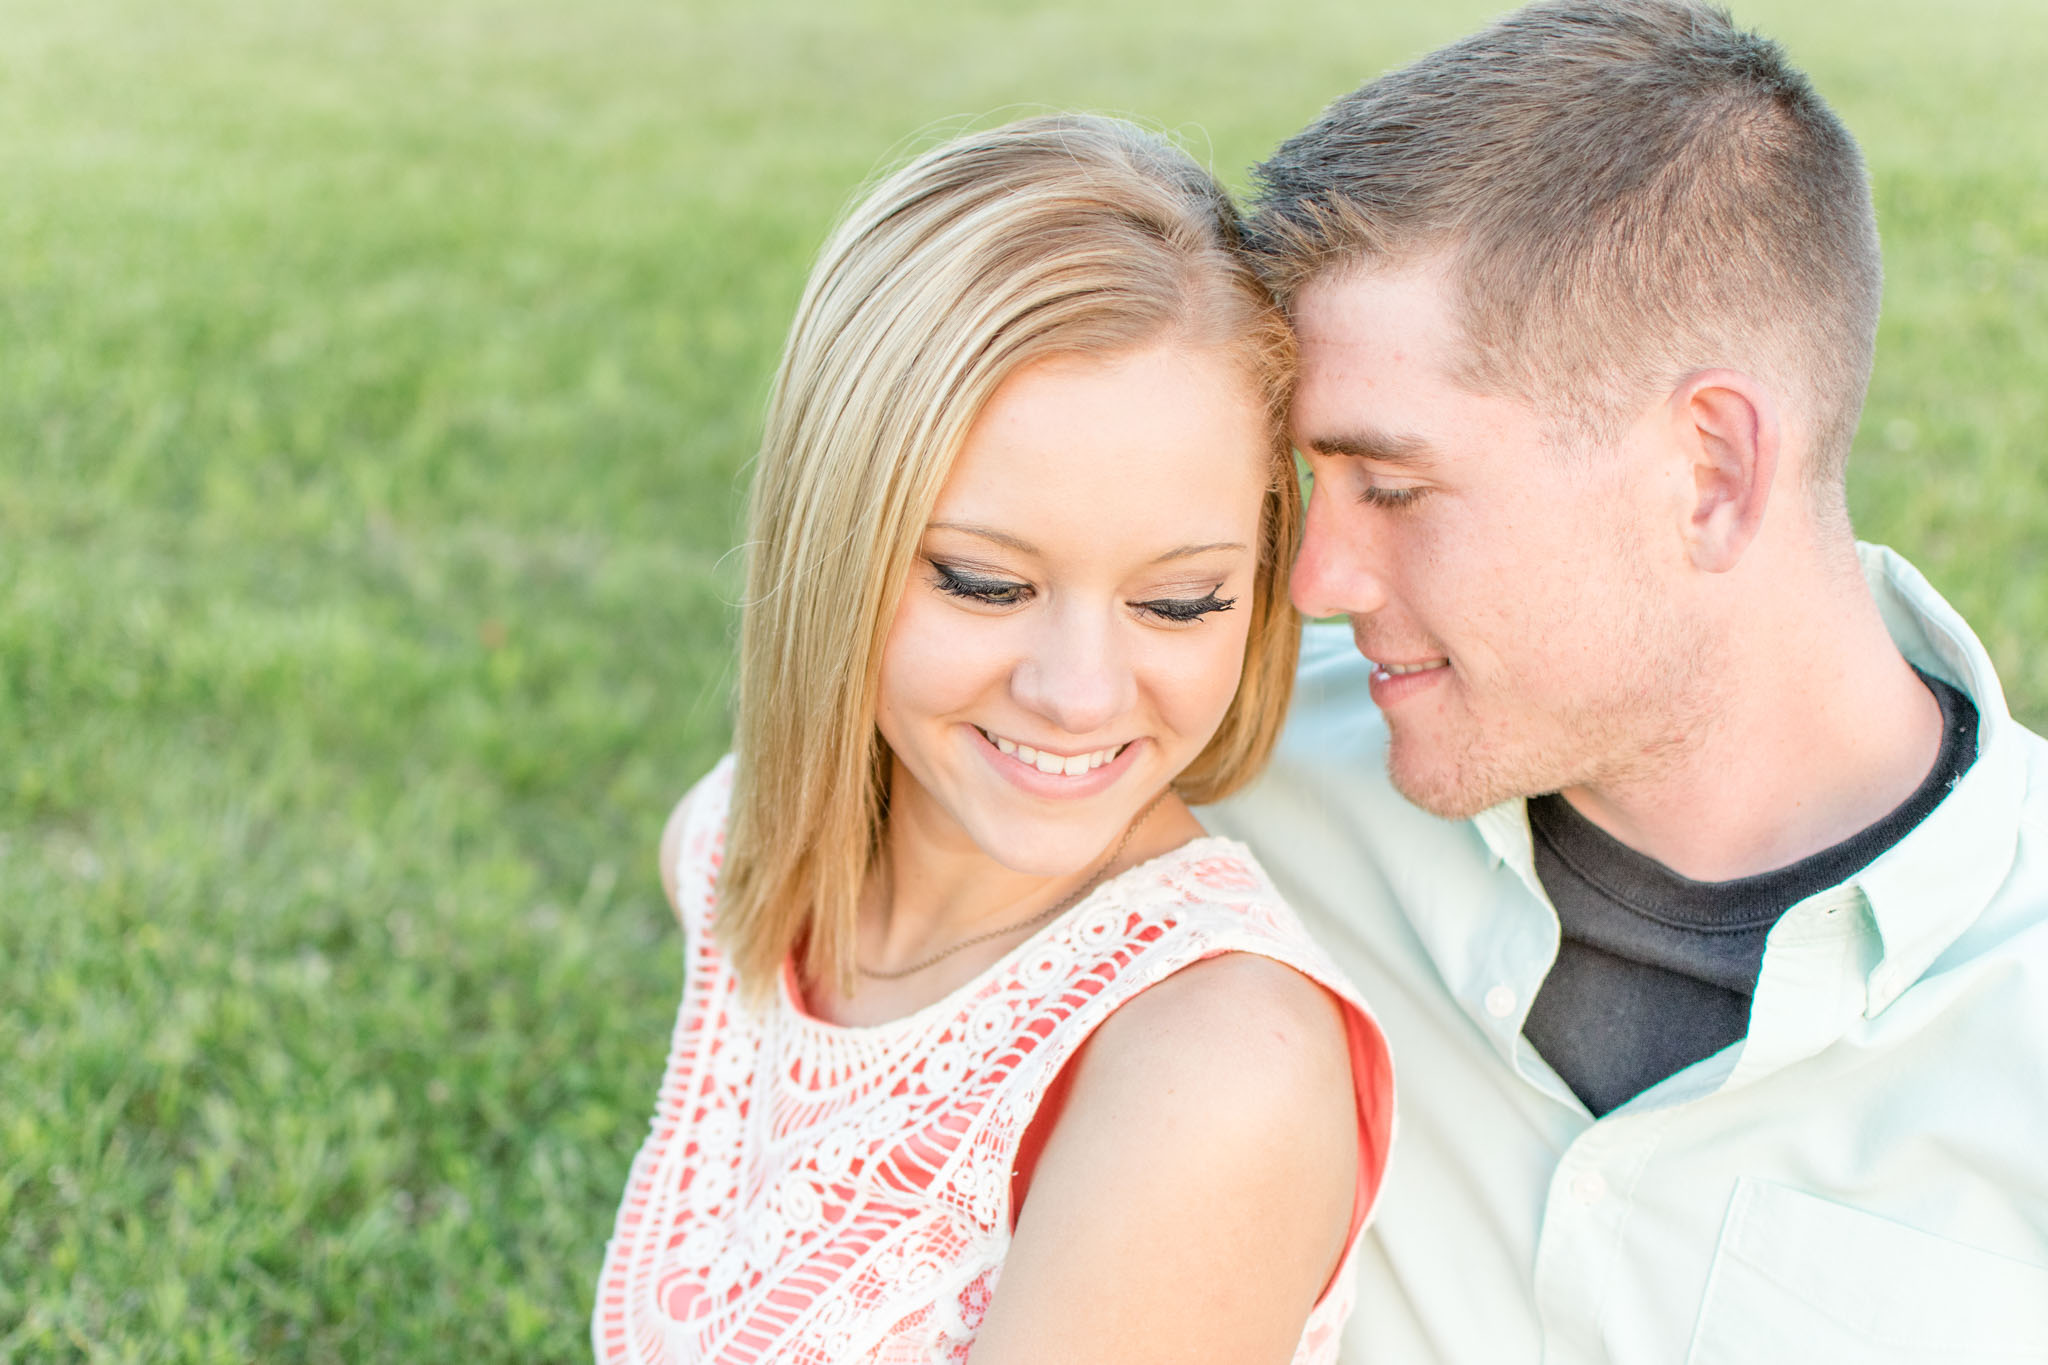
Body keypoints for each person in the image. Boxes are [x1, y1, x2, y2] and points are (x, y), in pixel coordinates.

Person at [1202, 2, 2048, 1361]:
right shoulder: (1231, 780)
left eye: (1395, 487)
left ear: (1709, 471)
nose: (1316, 581)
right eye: (1315, 483)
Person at [591, 115, 1394, 1365]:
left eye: (1177, 601)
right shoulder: (726, 849)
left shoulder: (1209, 1073)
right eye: (982, 581)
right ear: (832, 544)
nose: (1078, 695)